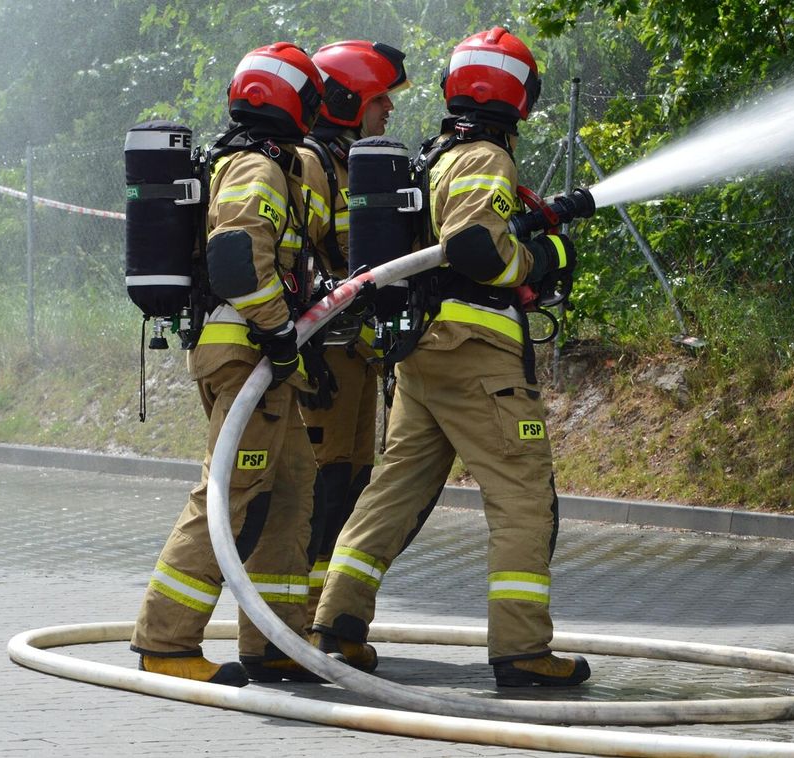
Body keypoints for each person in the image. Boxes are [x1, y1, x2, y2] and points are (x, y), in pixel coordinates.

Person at [310, 27, 589, 687]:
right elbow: (477, 249)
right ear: (515, 91)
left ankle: (337, 626)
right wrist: (544, 260)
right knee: (523, 494)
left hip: (424, 356)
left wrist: (531, 225)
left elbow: (462, 236)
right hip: (476, 356)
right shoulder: (485, 155)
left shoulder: (439, 155)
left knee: (394, 492)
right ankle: (521, 649)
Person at [130, 42, 330, 687]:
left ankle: (275, 639)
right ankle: (166, 640)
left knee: (292, 486)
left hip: (253, 351)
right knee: (229, 493)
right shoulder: (257, 168)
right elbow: (236, 260)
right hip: (245, 350)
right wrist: (277, 332)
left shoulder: (265, 165)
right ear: (293, 100)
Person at [294, 41, 409, 620]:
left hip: (358, 351)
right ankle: (305, 613)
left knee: (354, 478)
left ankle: (327, 612)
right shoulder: (313, 165)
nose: (388, 109)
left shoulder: (353, 166)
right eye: (377, 99)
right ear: (344, 101)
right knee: (327, 481)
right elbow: (299, 255)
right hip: (327, 354)